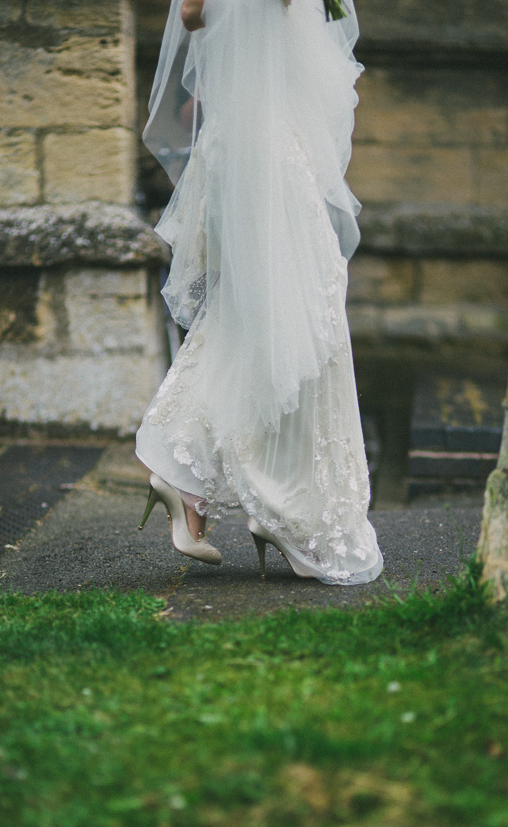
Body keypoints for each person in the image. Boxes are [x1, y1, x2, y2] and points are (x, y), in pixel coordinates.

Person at [136, 0, 383, 585]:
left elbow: (194, 13)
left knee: (271, 311)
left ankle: (187, 475)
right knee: (301, 311)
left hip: (254, 133)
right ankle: (285, 508)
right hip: (263, 142)